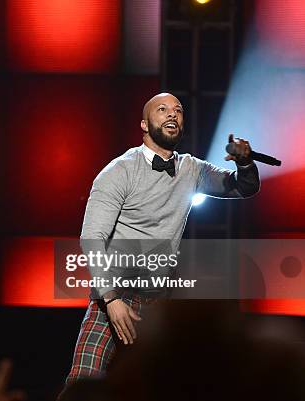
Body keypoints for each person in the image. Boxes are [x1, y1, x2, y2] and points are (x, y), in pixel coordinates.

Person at [64, 93, 260, 384]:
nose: (172, 115)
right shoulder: (119, 171)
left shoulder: (191, 169)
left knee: (159, 387)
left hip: (159, 301)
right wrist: (111, 300)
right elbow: (92, 237)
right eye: (162, 110)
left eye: (178, 111)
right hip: (115, 295)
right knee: (82, 384)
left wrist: (244, 164)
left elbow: (243, 188)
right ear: (144, 124)